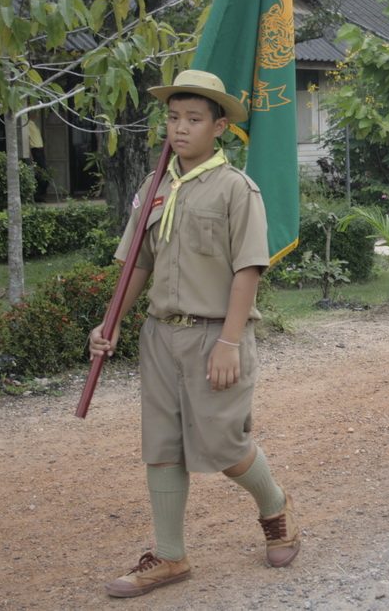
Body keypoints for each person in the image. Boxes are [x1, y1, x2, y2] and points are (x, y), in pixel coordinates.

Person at [88, 70, 299, 597]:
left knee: (225, 446)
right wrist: (111, 321)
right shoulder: (154, 188)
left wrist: (228, 342)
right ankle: (170, 556)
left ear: (219, 127)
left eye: (194, 119)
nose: (180, 128)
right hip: (160, 336)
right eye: (173, 117)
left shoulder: (236, 189)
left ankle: (275, 507)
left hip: (214, 338)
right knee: (161, 445)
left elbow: (248, 269)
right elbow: (138, 263)